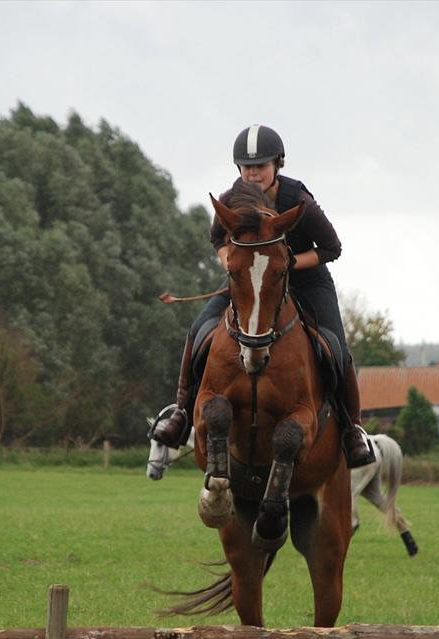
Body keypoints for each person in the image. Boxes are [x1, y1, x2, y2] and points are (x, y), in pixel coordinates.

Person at [151, 124, 375, 468]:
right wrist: (233, 264)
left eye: (261, 166)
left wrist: (286, 265)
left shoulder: (298, 201)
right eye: (247, 167)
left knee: (337, 347)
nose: (253, 173)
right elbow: (218, 239)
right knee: (199, 329)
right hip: (251, 280)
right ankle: (181, 412)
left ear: (277, 165)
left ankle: (352, 429)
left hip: (306, 278)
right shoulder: (231, 200)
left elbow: (332, 248)